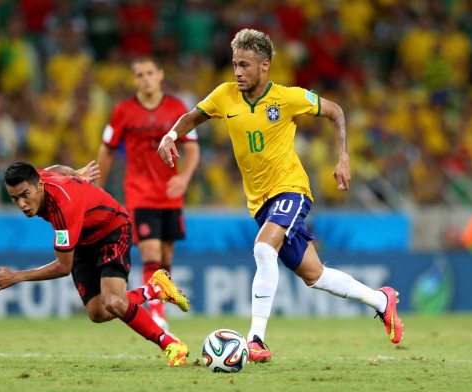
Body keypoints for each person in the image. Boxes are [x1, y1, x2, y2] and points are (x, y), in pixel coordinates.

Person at [157, 28, 404, 363]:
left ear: (264, 65)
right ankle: (381, 301)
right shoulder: (224, 96)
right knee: (314, 275)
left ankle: (256, 338)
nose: (238, 72)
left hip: (291, 189)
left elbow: (335, 111)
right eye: (234, 64)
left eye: (245, 65)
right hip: (259, 202)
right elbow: (192, 117)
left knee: (262, 247)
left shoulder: (287, 98)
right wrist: (171, 135)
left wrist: (344, 156)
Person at [0, 160, 190, 366]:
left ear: (39, 186)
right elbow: (55, 169)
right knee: (98, 313)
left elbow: (63, 267)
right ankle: (155, 289)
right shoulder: (38, 178)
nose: (21, 204)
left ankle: (170, 344)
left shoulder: (63, 207)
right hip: (83, 237)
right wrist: (75, 172)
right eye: (14, 198)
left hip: (112, 228)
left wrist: (17, 276)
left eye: (25, 195)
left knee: (113, 302)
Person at [96, 56, 200, 331]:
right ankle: (156, 314)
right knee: (150, 249)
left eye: (149, 73)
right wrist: (97, 188)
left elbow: (192, 149)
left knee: (166, 257)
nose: (145, 78)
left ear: (160, 74)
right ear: (134, 79)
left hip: (170, 193)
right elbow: (107, 149)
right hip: (139, 193)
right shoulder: (123, 111)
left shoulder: (177, 108)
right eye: (139, 74)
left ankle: (159, 305)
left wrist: (184, 178)